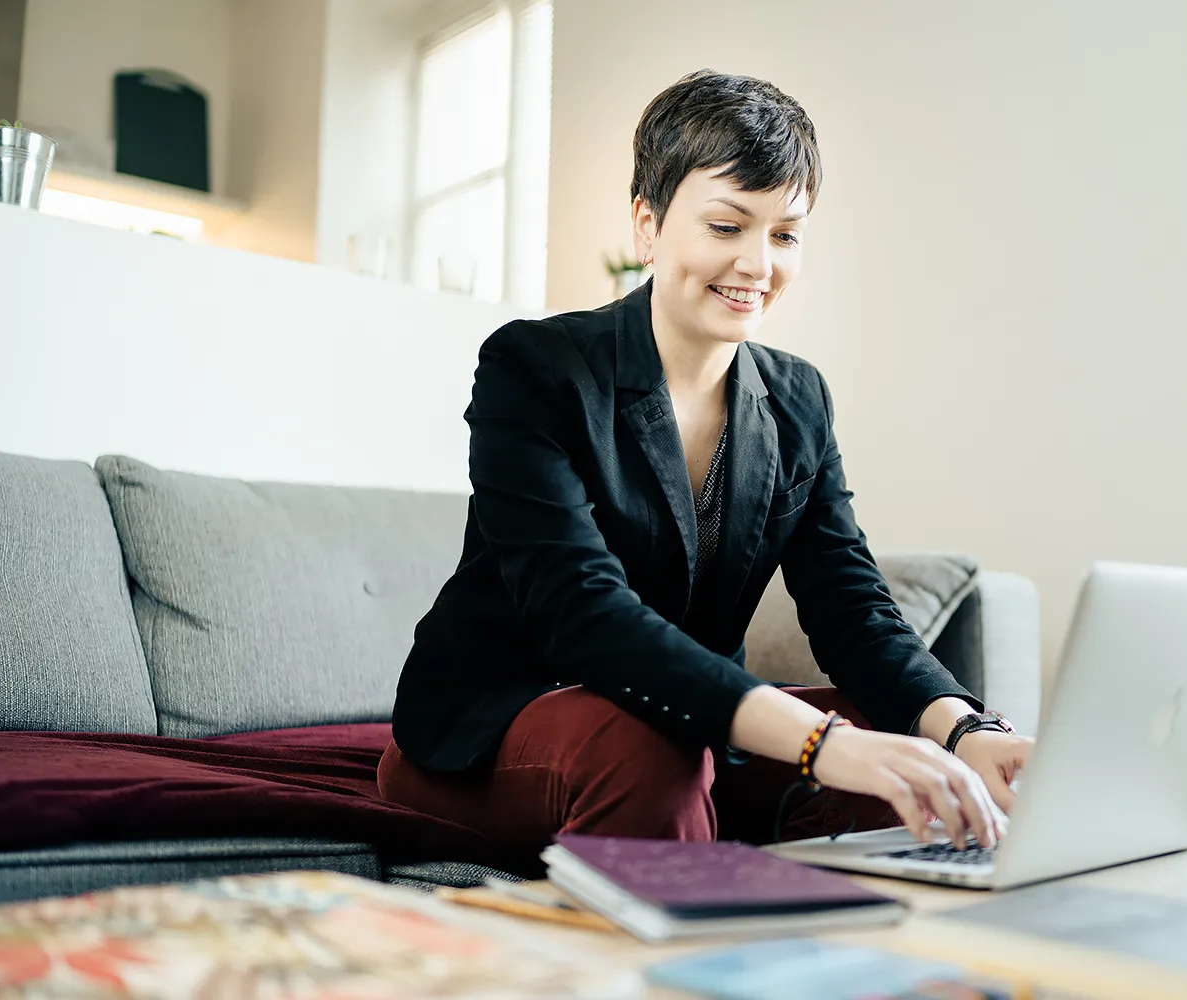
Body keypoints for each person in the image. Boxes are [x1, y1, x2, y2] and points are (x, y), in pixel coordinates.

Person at [378, 69, 1032, 867]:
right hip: (499, 728)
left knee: (901, 758)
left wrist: (965, 731)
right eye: (727, 226)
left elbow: (851, 608)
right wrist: (813, 740)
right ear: (647, 226)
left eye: (785, 234)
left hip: (691, 727)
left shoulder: (797, 397)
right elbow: (581, 611)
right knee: (662, 752)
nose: (758, 263)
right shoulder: (535, 366)